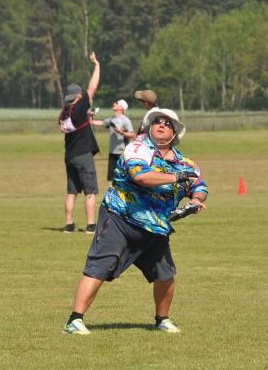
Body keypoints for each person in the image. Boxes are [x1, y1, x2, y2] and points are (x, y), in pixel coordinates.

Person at [63, 107, 209, 335]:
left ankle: (162, 320)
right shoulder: (138, 147)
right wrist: (176, 177)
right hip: (119, 217)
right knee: (99, 267)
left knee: (165, 275)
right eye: (157, 121)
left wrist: (196, 201)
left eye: (168, 123)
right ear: (150, 127)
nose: (161, 125)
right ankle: (74, 321)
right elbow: (141, 176)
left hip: (155, 226)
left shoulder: (185, 163)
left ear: (175, 133)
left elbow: (199, 185)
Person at [60, 52, 101, 233]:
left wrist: (87, 116)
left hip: (70, 155)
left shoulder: (65, 112)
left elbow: (75, 123)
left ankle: (68, 225)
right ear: (77, 96)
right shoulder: (80, 105)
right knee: (90, 191)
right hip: (83, 155)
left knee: (72, 192)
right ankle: (91, 225)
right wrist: (96, 65)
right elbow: (92, 87)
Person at [91, 99, 135, 182]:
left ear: (121, 108)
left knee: (122, 177)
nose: (114, 103)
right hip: (112, 152)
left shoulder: (125, 120)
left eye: (117, 103)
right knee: (111, 178)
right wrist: (90, 118)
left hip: (122, 152)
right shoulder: (112, 119)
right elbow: (101, 123)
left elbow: (132, 135)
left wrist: (121, 132)